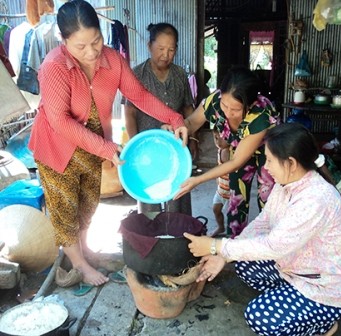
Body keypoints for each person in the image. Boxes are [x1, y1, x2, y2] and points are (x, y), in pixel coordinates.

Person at [28, 0, 188, 287]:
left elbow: (138, 95)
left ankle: (87, 251)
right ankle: (79, 264)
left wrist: (175, 118)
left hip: (91, 144)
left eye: (96, 41)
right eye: (80, 46)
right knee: (65, 206)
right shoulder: (54, 67)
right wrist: (106, 148)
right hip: (56, 146)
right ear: (63, 41)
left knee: (88, 202)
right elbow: (60, 122)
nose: (91, 52)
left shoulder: (113, 60)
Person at [184, 123, 341, 336]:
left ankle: (321, 325)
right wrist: (223, 254)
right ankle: (291, 302)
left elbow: (273, 246)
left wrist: (215, 245)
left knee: (259, 317)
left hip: (326, 288)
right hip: (297, 267)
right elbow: (264, 221)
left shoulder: (315, 199)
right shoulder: (287, 182)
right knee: (242, 262)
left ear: (291, 163)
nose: (266, 167)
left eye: (269, 160)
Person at [174, 66, 278, 237]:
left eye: (236, 110)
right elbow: (191, 124)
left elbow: (235, 161)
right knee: (236, 199)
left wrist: (198, 179)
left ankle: (270, 249)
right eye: (225, 105)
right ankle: (234, 247)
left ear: (250, 104)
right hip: (239, 148)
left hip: (268, 152)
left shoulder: (260, 116)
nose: (228, 113)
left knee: (268, 199)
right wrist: (174, 132)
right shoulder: (214, 101)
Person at [124, 22, 195, 215]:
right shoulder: (137, 74)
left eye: (171, 50)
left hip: (176, 148)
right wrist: (134, 145)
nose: (166, 55)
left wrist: (193, 138)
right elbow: (129, 112)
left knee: (178, 196)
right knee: (149, 197)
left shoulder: (180, 75)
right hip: (147, 150)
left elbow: (188, 107)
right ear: (150, 46)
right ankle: (151, 241)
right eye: (161, 49)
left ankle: (178, 239)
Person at [211, 127, 230, 237]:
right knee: (216, 209)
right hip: (220, 190)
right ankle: (220, 227)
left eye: (222, 138)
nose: (218, 141)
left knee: (231, 215)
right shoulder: (220, 150)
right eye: (216, 138)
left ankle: (230, 233)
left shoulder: (230, 152)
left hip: (230, 194)